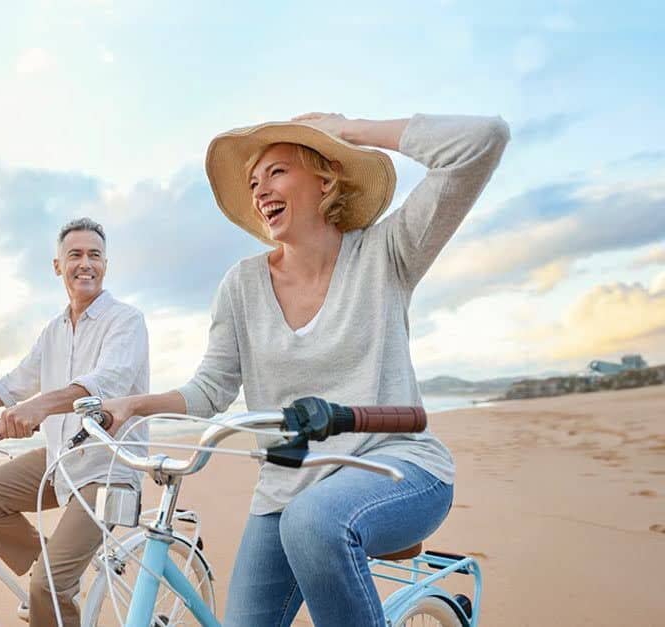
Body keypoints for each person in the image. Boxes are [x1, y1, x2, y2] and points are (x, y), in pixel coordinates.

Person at [99, 113, 509, 625]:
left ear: (325, 178)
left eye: (276, 172)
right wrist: (138, 405)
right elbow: (211, 388)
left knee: (314, 523)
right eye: (253, 182)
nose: (260, 190)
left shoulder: (387, 253)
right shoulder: (241, 285)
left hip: (397, 466)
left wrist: (352, 129)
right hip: (286, 487)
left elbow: (481, 142)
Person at [0, 217, 149, 626]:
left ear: (106, 265)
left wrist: (40, 407)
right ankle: (51, 569)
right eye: (74, 255)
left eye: (94, 255)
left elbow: (106, 382)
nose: (85, 264)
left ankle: (52, 583)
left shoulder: (126, 321)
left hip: (108, 467)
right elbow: (11, 386)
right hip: (61, 458)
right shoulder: (53, 331)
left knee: (47, 587)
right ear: (58, 266)